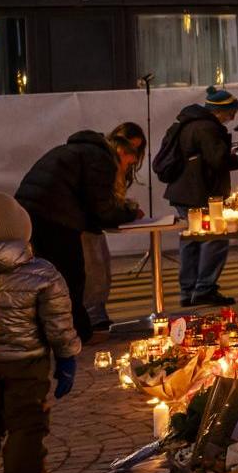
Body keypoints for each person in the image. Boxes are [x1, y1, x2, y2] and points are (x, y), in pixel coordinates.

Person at [0, 191, 81, 473]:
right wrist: (66, 358)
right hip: (25, 363)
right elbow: (58, 322)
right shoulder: (42, 272)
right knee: (26, 425)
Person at [13, 125, 143, 345]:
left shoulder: (79, 151)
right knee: (70, 277)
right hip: (53, 217)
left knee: (45, 276)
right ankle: (78, 335)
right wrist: (130, 212)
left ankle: (50, 333)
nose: (126, 170)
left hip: (29, 213)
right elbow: (102, 208)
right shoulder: (101, 159)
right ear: (121, 154)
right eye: (129, 163)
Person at [161, 87, 238, 306]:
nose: (233, 117)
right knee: (215, 238)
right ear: (221, 111)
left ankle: (187, 291)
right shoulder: (208, 127)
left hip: (183, 191)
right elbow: (218, 160)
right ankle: (204, 289)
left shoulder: (187, 123)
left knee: (191, 241)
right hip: (201, 192)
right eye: (231, 112)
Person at [81, 123, 145, 333]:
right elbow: (102, 206)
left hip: (88, 221)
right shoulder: (103, 163)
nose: (134, 159)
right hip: (82, 222)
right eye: (130, 152)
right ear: (120, 149)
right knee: (94, 268)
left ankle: (95, 315)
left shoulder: (105, 162)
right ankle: (93, 318)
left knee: (101, 266)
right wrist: (127, 213)